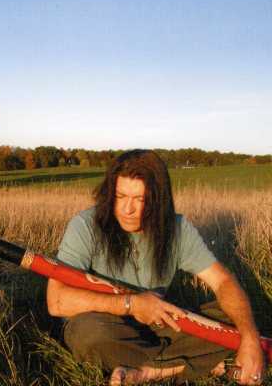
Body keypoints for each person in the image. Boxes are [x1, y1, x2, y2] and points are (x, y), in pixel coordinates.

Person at [47, 149, 265, 385]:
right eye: (120, 196)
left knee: (237, 316)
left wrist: (250, 338)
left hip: (157, 324)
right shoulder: (85, 225)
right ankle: (186, 364)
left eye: (140, 200)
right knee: (88, 333)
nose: (127, 209)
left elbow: (223, 282)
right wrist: (131, 305)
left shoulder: (177, 229)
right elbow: (57, 301)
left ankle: (148, 370)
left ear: (159, 200)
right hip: (104, 324)